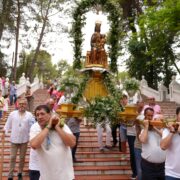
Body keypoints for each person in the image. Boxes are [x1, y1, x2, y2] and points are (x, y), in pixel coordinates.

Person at [30, 105, 75, 180]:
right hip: (47, 176)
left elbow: (72, 143)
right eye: (37, 115)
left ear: (50, 114)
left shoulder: (61, 125)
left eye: (42, 114)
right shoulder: (35, 127)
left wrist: (57, 128)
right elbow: (34, 145)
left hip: (65, 176)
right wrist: (49, 126)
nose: (39, 117)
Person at [4, 98, 35, 180]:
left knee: (22, 157)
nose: (22, 105)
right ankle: (10, 174)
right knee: (12, 157)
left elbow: (32, 126)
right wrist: (5, 131)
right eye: (20, 104)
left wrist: (33, 135)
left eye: (24, 104)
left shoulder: (30, 115)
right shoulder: (12, 114)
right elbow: (8, 124)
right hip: (14, 139)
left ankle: (20, 172)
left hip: (24, 139)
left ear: (26, 105)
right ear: (18, 104)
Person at [139, 107, 166, 180]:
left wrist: (154, 127)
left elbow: (164, 135)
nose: (150, 118)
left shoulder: (163, 131)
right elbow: (143, 140)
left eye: (152, 116)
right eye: (149, 116)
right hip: (148, 167)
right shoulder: (144, 130)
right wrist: (147, 126)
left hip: (162, 167)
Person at [160, 107, 180, 180]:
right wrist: (172, 132)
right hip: (171, 174)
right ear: (177, 116)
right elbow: (163, 146)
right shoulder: (169, 129)